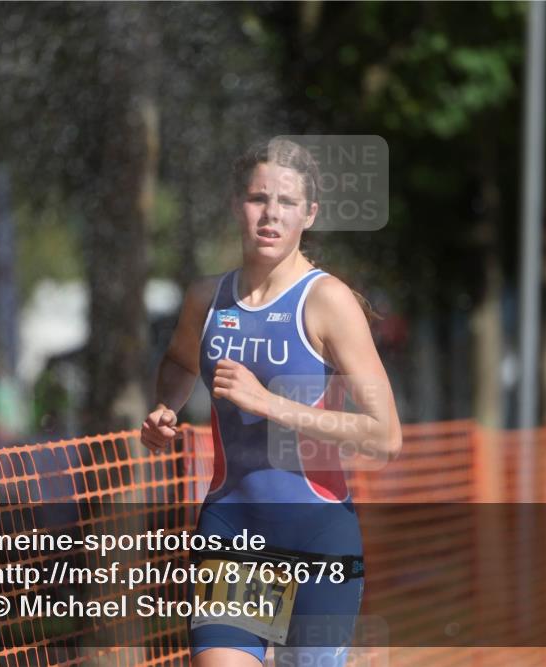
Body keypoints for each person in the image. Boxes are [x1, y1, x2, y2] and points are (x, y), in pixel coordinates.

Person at [140, 138, 402, 667]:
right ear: (237, 204)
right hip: (233, 530)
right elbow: (178, 363)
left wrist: (270, 403)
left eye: (286, 203)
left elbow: (385, 436)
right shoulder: (207, 298)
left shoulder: (328, 301)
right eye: (259, 198)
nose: (271, 215)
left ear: (309, 214)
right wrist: (166, 408)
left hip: (317, 536)